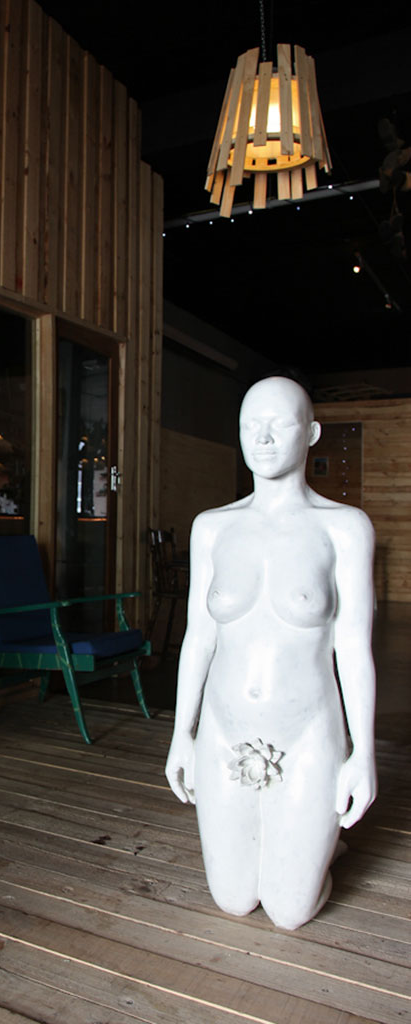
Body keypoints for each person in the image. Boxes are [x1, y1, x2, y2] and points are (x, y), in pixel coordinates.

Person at [165, 376, 376, 930]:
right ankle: (304, 839)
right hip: (224, 730)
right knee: (234, 900)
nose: (261, 438)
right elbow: (199, 637)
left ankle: (317, 845)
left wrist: (363, 754)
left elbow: (354, 648)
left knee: (289, 911)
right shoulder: (212, 528)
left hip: (307, 735)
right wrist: (182, 734)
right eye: (249, 426)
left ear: (311, 433)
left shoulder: (344, 529)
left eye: (279, 424)